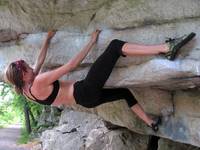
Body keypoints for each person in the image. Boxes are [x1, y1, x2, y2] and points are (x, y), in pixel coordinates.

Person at [5, 30, 195, 132]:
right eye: (27, 69)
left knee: (123, 93)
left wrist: (47, 39)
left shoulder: (27, 90)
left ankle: (150, 122)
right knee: (115, 46)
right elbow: (71, 65)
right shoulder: (38, 82)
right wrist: (91, 41)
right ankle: (165, 48)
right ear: (23, 76)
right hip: (85, 90)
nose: (31, 67)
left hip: (86, 101)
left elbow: (39, 62)